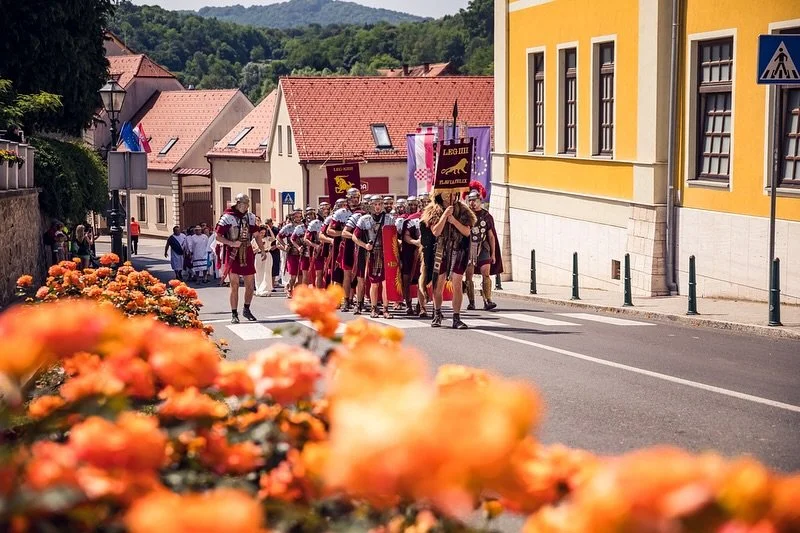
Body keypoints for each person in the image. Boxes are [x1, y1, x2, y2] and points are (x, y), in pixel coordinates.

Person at [215, 193, 268, 324]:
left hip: (248, 251)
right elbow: (218, 236)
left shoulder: (250, 217)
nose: (246, 207)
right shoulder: (227, 217)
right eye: (244, 204)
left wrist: (262, 249)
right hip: (233, 252)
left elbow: (256, 235)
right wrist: (231, 243)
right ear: (238, 204)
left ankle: (246, 308)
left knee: (250, 285)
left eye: (247, 204)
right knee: (234, 284)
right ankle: (234, 313)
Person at [429, 191, 475, 329]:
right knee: (438, 284)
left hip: (459, 249)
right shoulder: (434, 209)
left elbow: (467, 232)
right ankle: (437, 313)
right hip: (441, 250)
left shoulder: (463, 209)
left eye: (454, 194)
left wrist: (454, 221)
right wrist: (444, 215)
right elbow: (436, 231)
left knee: (457, 283)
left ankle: (456, 317)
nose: (452, 196)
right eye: (449, 194)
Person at [352, 195, 395, 319]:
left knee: (386, 283)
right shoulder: (364, 219)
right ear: (371, 205)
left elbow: (393, 237)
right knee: (374, 283)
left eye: (380, 204)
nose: (377, 207)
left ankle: (386, 309)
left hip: (386, 253)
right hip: (372, 253)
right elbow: (355, 237)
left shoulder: (389, 219)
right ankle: (374, 308)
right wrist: (365, 245)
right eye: (375, 204)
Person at [465, 182, 503, 311]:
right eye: (470, 200)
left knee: (485, 273)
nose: (472, 203)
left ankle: (488, 300)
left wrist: (493, 254)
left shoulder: (486, 216)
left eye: (474, 200)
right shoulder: (465, 215)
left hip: (484, 247)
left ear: (480, 200)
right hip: (470, 248)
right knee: (469, 276)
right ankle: (471, 302)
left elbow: (491, 236)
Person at [418, 201, 442, 320]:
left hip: (439, 251)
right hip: (427, 251)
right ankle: (422, 307)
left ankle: (435, 308)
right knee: (424, 277)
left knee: (437, 281)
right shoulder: (423, 221)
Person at [253, 226, 273, 297]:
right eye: (261, 232)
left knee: (267, 272)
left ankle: (267, 289)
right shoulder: (254, 240)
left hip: (267, 255)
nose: (263, 234)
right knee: (259, 273)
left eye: (264, 233)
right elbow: (253, 250)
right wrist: (260, 247)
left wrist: (269, 228)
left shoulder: (267, 238)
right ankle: (259, 289)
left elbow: (274, 238)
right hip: (258, 256)